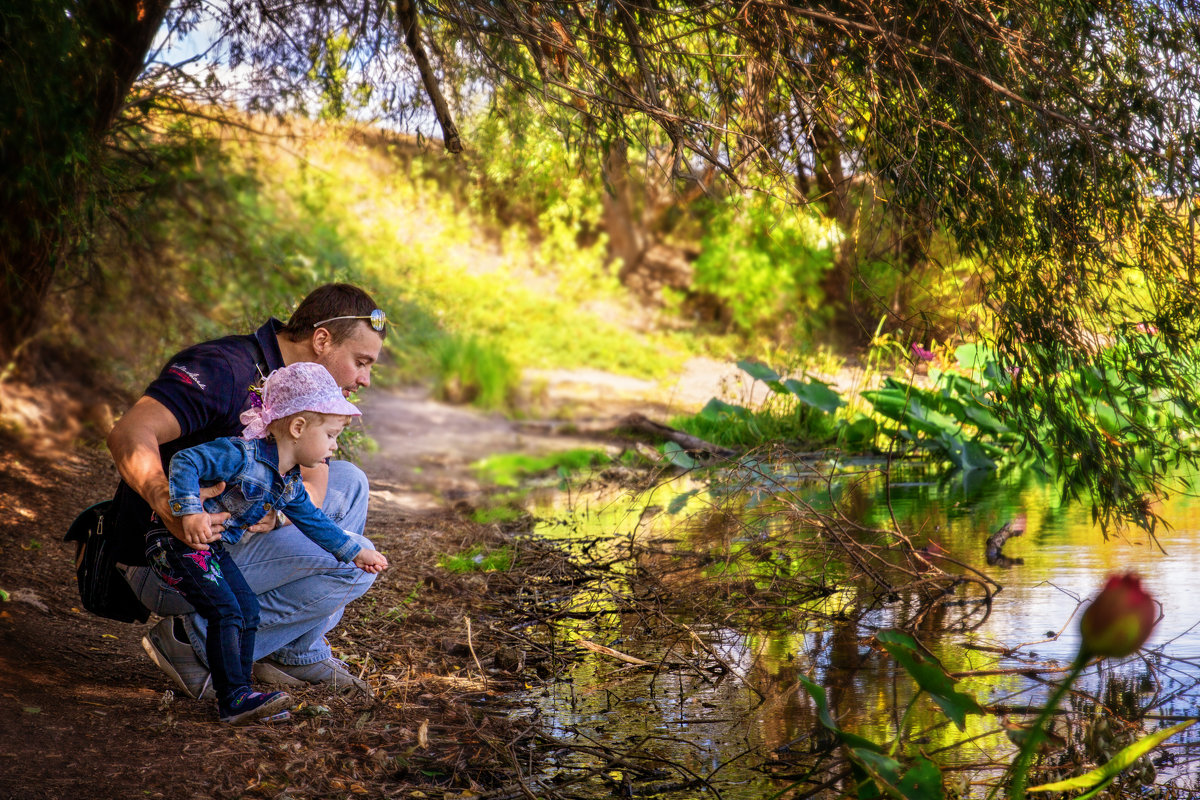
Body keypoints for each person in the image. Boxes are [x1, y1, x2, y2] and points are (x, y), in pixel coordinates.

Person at [106, 283, 388, 700]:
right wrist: (168, 503)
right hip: (170, 552)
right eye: (360, 362)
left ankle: (292, 650)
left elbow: (316, 484)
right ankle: (191, 642)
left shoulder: (309, 394)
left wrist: (278, 513)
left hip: (227, 537)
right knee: (350, 559)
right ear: (323, 340)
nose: (364, 379)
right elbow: (129, 432)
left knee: (352, 482)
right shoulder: (225, 368)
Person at [157, 362, 389, 723]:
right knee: (228, 610)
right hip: (177, 542)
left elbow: (316, 523)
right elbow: (185, 460)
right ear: (297, 427)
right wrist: (189, 512)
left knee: (247, 608)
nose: (334, 445)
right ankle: (231, 696)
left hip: (210, 548)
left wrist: (355, 552)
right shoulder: (240, 455)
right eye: (330, 435)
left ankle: (243, 694)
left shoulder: (288, 483)